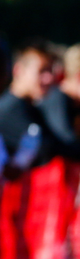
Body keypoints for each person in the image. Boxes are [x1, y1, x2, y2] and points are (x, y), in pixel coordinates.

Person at [0, 39, 58, 176]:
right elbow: (49, 147)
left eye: (51, 71)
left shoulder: (32, 107)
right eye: (42, 71)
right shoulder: (9, 110)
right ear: (18, 70)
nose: (49, 78)